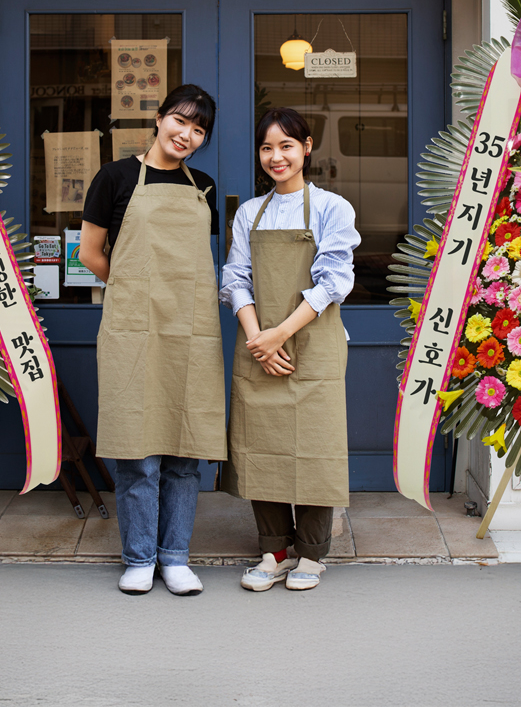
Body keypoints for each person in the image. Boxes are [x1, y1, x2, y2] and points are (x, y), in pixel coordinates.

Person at [79, 84, 225, 596]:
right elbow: (90, 253)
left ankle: (176, 557)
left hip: (190, 329)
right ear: (159, 118)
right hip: (133, 329)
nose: (187, 134)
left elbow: (197, 262)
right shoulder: (115, 176)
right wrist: (133, 289)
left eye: (199, 129)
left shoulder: (203, 185)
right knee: (137, 449)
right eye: (180, 121)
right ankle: (139, 557)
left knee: (185, 448)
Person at [220, 107, 359, 591]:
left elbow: (335, 281)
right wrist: (259, 338)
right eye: (266, 148)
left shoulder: (331, 208)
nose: (276, 157)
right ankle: (273, 550)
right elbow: (236, 277)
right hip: (259, 342)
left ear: (306, 147)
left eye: (285, 146)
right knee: (264, 444)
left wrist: (278, 335)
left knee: (315, 446)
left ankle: (312, 555)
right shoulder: (248, 213)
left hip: (313, 344)